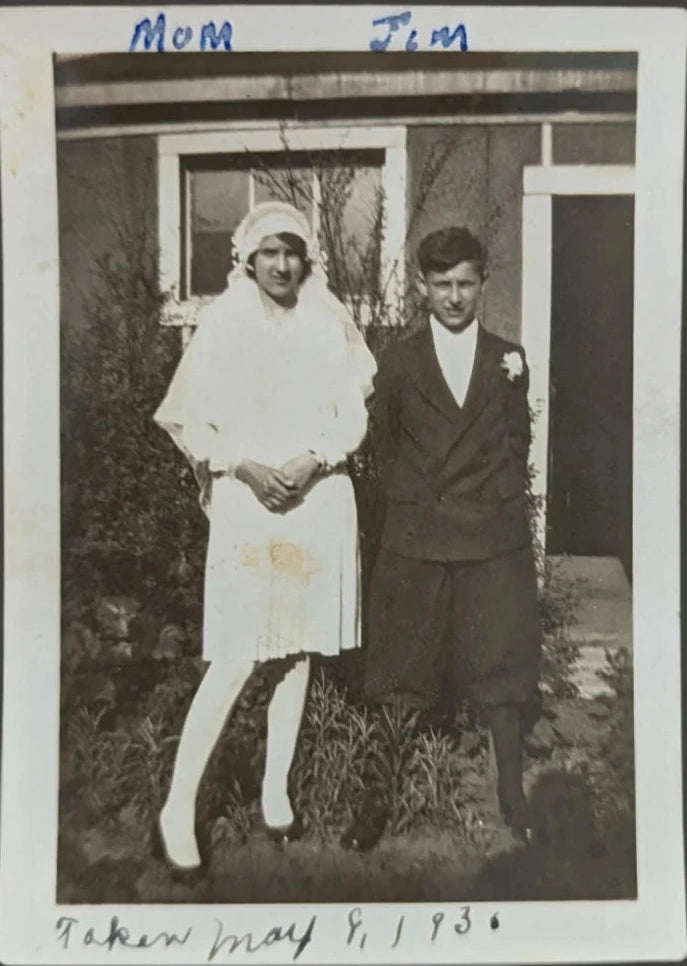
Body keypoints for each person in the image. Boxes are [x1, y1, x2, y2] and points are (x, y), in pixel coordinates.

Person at [154, 201, 376, 871]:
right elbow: (192, 423)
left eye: (292, 251)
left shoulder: (326, 319)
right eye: (269, 251)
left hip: (318, 494)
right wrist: (243, 466)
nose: (282, 264)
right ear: (246, 257)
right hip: (250, 502)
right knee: (240, 651)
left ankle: (274, 793)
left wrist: (314, 458)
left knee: (300, 647)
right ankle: (176, 807)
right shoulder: (222, 325)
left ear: (307, 257)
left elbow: (350, 413)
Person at [342, 226, 542, 851]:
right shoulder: (397, 362)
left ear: (484, 283)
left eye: (465, 284)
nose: (454, 297)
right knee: (400, 669)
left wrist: (495, 496)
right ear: (421, 287)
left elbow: (517, 440)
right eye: (441, 285)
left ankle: (512, 795)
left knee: (502, 667)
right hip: (418, 534)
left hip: (490, 534)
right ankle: (378, 796)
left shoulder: (508, 359)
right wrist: (419, 498)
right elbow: (385, 446)